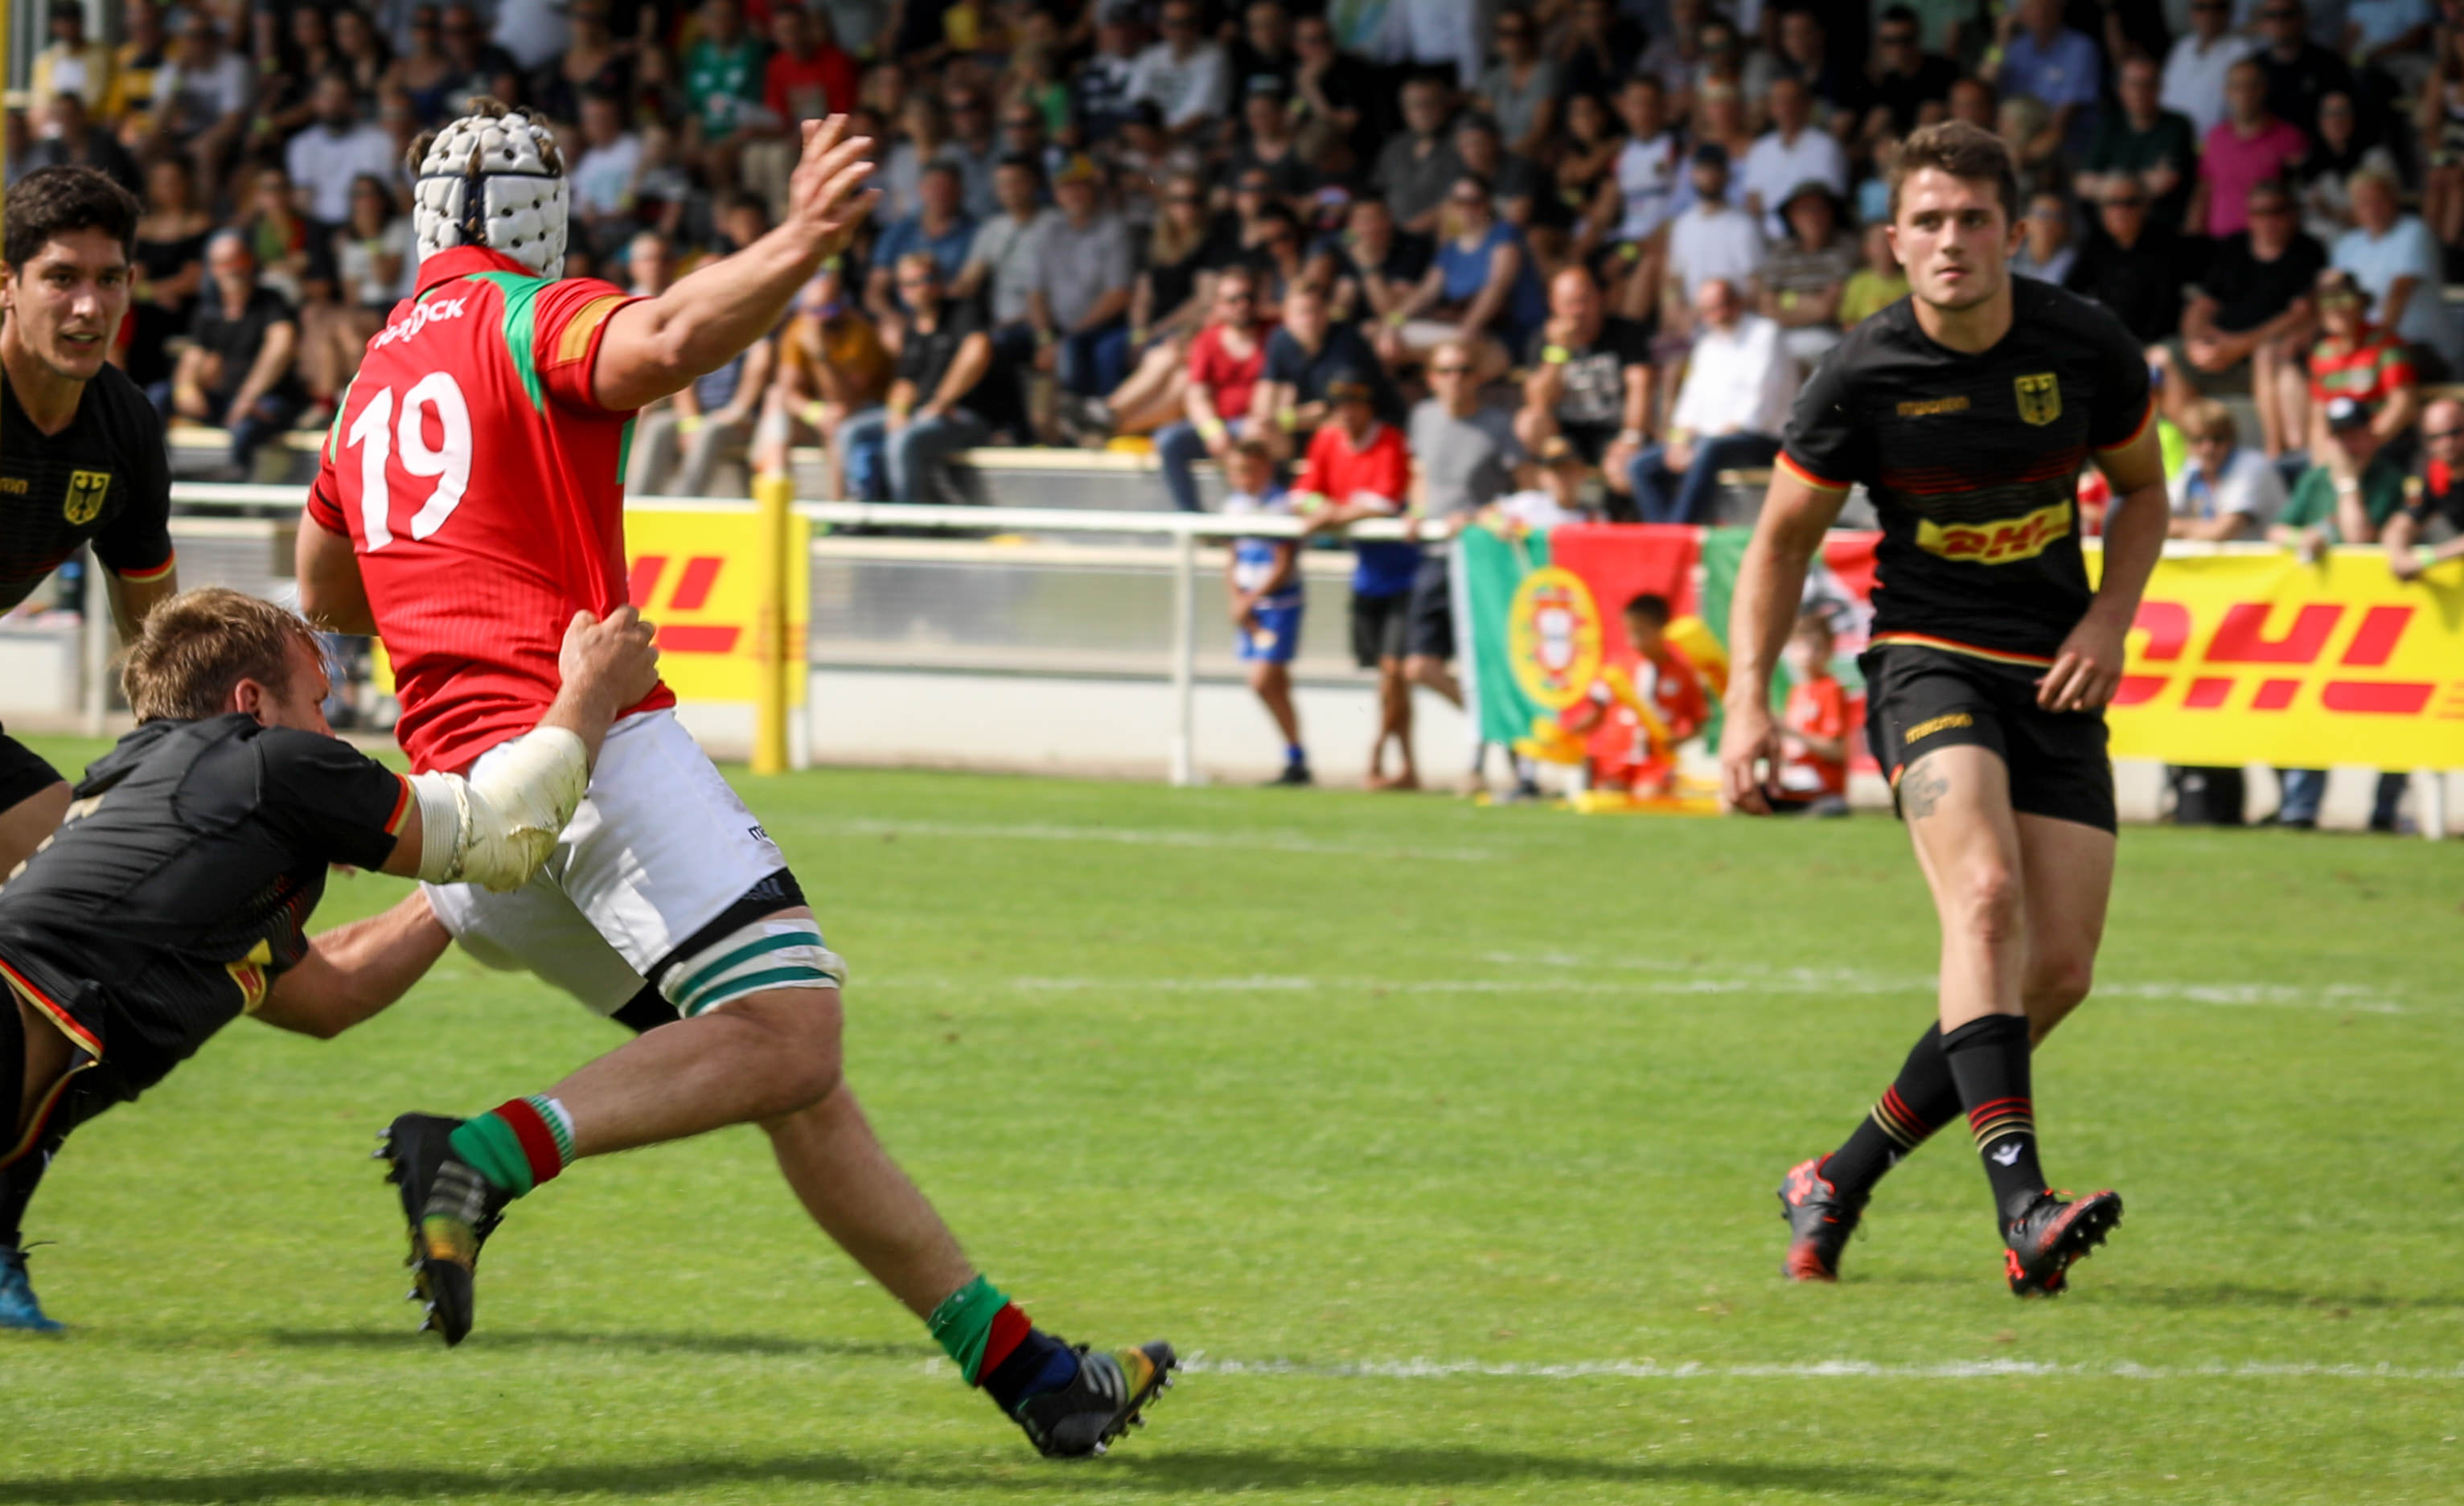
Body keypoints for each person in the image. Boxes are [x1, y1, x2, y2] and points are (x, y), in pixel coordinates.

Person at [292, 105, 1173, 1454]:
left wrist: (453, 568)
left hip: (474, 816)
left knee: (782, 1077)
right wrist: (804, 238)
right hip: (586, 749)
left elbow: (328, 588)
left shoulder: (369, 383)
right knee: (793, 1036)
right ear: (539, 216)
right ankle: (484, 1151)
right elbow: (661, 341)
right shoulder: (526, 315)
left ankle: (1032, 1376)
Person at [1725, 121, 2166, 1296]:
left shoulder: (2085, 344)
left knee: (2055, 972)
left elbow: (2141, 491)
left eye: (1974, 218)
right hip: (1928, 659)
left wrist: (2107, 620)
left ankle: (1837, 1176)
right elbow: (1778, 545)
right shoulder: (1859, 374)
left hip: (2056, 669)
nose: (1950, 239)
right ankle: (2024, 1211)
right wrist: (1745, 701)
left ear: (2015, 231)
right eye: (1928, 220)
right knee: (1985, 898)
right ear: (1894, 240)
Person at [0, 589, 655, 1332]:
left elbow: (329, 992)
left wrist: (446, 899)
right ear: (252, 703)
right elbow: (506, 831)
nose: (328, 731)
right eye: (317, 703)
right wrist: (593, 685)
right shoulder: (274, 766)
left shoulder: (147, 791)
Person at [2272, 396, 2410, 830]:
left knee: (2393, 715)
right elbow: (2278, 528)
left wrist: (2348, 484)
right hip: (2323, 618)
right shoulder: (2317, 479)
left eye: (2354, 434)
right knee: (2312, 708)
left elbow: (2359, 536)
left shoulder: (2388, 479)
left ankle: (2385, 811)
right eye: (2339, 436)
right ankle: (2301, 809)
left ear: (2370, 434)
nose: (2347, 444)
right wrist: (2301, 539)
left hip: (2383, 620)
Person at [1293, 372, 1419, 790]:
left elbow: (1385, 501)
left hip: (1404, 573)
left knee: (1392, 673)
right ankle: (1408, 767)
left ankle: (1377, 754)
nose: (1346, 413)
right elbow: (1302, 495)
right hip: (1368, 577)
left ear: (1369, 407)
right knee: (1389, 680)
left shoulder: (1390, 442)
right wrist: (1331, 508)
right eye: (1340, 405)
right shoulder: (1328, 440)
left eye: (1354, 404)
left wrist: (1332, 514)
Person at [2154, 179, 2325, 456]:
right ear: (2250, 217)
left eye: (2276, 211)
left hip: (2267, 355)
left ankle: (2273, 453)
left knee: (2266, 355)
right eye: (2260, 213)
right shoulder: (2233, 248)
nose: (2268, 220)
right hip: (2221, 353)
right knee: (2162, 358)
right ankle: (2199, 450)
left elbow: (2299, 315)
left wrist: (2237, 346)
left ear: (2292, 213)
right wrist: (2197, 344)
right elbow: (2202, 305)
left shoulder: (2307, 251)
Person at [1403, 339, 1520, 724]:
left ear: (1477, 377)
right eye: (1446, 371)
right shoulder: (1422, 416)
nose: (1455, 378)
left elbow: (1522, 491)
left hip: (1483, 559)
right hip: (1435, 558)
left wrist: (1478, 518)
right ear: (1431, 378)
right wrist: (1416, 511)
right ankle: (1494, 723)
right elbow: (1420, 473)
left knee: (1491, 664)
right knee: (1419, 667)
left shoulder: (1498, 425)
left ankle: (1508, 738)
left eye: (1464, 370)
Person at [1628, 277, 1797, 526]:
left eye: (1722, 305)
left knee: (1709, 449)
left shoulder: (1766, 334)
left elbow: (1759, 407)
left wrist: (1699, 442)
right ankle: (1666, 534)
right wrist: (1679, 441)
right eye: (1708, 310)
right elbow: (1690, 405)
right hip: (1707, 443)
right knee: (1640, 465)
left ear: (1738, 303)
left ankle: (1678, 531)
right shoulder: (1707, 345)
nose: (1717, 315)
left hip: (1762, 441)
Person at [840, 252, 996, 503]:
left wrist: (941, 403)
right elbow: (905, 381)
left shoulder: (963, 312)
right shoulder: (912, 329)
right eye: (911, 284)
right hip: (921, 415)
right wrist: (898, 411)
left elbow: (978, 350)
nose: (920, 288)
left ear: (939, 282)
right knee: (851, 431)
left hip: (964, 416)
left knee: (902, 439)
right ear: (901, 291)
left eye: (927, 279)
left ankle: (907, 519)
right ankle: (859, 512)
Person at [166, 231, 306, 479]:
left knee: (246, 427)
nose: (231, 269)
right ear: (212, 269)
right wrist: (185, 389)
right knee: (159, 397)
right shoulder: (209, 310)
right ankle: (156, 470)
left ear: (250, 261)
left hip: (267, 401)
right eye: (222, 263)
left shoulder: (270, 301)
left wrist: (248, 396)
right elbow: (193, 358)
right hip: (225, 401)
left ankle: (237, 488)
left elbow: (281, 346)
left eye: (237, 260)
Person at [753, 265, 890, 500]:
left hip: (863, 410)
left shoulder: (860, 334)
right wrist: (814, 413)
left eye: (829, 309)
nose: (820, 318)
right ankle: (775, 493)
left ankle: (836, 506)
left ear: (843, 305)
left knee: (837, 420)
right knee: (775, 400)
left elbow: (847, 400)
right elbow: (787, 390)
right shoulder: (798, 329)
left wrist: (821, 356)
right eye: (814, 311)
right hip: (822, 412)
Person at [1516, 266, 1653, 499]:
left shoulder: (1626, 332)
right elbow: (1538, 402)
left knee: (1623, 472)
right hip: (1567, 435)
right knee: (1528, 421)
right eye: (1569, 303)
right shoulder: (1543, 340)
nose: (1578, 311)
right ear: (1554, 305)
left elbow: (1641, 385)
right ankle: (1556, 475)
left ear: (1599, 299)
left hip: (1614, 430)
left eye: (1584, 301)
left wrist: (1630, 438)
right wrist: (1559, 351)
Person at [1220, 439, 1310, 786]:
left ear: (1266, 468)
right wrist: (1236, 599)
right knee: (1277, 685)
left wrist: (1250, 599)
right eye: (1236, 471)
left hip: (1279, 605)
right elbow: (1231, 558)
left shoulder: (1281, 505)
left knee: (1261, 681)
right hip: (1251, 607)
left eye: (1250, 470)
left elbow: (1283, 564)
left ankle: (1296, 756)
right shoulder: (1233, 506)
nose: (1243, 478)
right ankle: (1296, 759)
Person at [1154, 268, 1271, 512]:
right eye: (1233, 300)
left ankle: (1263, 512)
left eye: (1248, 297)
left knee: (1259, 435)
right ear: (1219, 305)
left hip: (1259, 426)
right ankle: (1192, 519)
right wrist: (1212, 429)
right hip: (1220, 426)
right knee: (1168, 441)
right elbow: (1196, 395)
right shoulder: (1207, 340)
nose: (1242, 305)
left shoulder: (1274, 334)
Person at [2333, 169, 2464, 381]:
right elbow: (2333, 296)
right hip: (2371, 350)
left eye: (2379, 201)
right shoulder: (2347, 244)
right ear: (2354, 209)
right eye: (2364, 203)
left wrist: (2371, 349)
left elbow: (2400, 291)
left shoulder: (2415, 231)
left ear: (2394, 200)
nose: (2373, 209)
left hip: (2426, 350)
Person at [1028, 156, 1135, 409]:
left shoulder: (1114, 228)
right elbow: (1035, 293)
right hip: (1054, 329)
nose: (1074, 193)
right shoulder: (1048, 230)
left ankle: (1102, 418)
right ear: (1056, 194)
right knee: (1005, 344)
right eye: (1066, 187)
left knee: (1083, 352)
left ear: (1093, 189)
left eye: (1080, 185)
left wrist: (1068, 335)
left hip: (1103, 326)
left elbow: (1119, 294)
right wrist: (1045, 338)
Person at [1255, 278, 1394, 463]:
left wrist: (1282, 419)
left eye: (1316, 310)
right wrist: (1264, 421)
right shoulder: (1280, 340)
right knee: (1258, 427)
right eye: (1302, 312)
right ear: (1286, 317)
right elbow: (1266, 391)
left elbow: (1333, 410)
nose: (1310, 319)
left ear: (1327, 312)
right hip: (1305, 424)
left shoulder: (1347, 342)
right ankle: (1280, 476)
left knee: (1337, 423)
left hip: (1368, 425)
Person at [2300, 268, 2420, 455]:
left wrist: (2364, 447)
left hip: (2383, 449)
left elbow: (2402, 405)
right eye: (2326, 301)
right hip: (2340, 451)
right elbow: (2318, 419)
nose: (2336, 309)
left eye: (2344, 298)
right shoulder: (2321, 354)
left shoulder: (2386, 345)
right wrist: (2324, 459)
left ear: (2360, 303)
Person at [2191, 60, 2310, 241]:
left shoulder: (2290, 137)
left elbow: (2302, 196)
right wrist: (2192, 236)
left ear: (2264, 90)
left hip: (2269, 245)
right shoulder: (2215, 137)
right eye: (2237, 87)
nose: (2244, 94)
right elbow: (2204, 189)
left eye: (2252, 86)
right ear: (2226, 92)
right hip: (2220, 242)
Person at [2062, 180, 2189, 347]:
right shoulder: (2096, 243)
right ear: (2101, 210)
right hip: (2105, 337)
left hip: (2154, 343)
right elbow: (2071, 291)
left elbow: (2166, 307)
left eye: (2130, 203)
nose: (2121, 211)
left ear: (2145, 207)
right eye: (2112, 203)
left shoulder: (2167, 244)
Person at [1739, 78, 1848, 240]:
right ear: (1771, 107)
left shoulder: (1826, 146)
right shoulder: (1760, 149)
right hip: (1769, 241)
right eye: (1779, 101)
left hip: (1811, 240)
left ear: (1807, 104)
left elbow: (1826, 202)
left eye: (1793, 100)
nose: (1786, 108)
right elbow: (1752, 202)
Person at [1760, 181, 1854, 366]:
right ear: (1791, 217)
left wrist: (1788, 301)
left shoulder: (1845, 249)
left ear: (1832, 213)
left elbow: (1826, 309)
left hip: (1830, 338)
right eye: (1804, 210)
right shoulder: (1780, 251)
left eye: (1819, 209)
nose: (1812, 217)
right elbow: (1767, 309)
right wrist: (1811, 302)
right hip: (1782, 339)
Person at [1770, 609, 1850, 817]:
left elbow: (1837, 751)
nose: (1807, 654)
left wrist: (1791, 731)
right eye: (1800, 646)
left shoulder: (1831, 689)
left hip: (1822, 787)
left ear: (1829, 650)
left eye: (1816, 647)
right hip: (1795, 780)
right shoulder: (1797, 692)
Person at [2169, 400, 2286, 540]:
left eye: (2217, 439)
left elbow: (2221, 532)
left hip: (2269, 554)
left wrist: (2178, 528)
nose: (2208, 449)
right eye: (2198, 440)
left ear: (2232, 438)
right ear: (2186, 443)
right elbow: (2159, 518)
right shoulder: (2191, 467)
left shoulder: (2253, 466)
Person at [2386, 396, 2464, 581]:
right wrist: (2398, 557)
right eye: (2435, 437)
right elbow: (2401, 523)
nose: (2446, 443)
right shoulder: (2429, 473)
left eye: (2455, 432)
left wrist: (2425, 560)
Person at [2162, 0, 2261, 142]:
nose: (2210, 15)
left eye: (2218, 7)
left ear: (2229, 12)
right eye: (2201, 7)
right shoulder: (2182, 47)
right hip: (2173, 141)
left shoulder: (2241, 50)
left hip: (2218, 145)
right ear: (2191, 12)